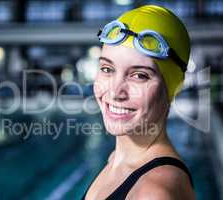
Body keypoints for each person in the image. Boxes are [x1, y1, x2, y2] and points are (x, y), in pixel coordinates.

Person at [81, 5, 195, 200]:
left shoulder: (153, 193)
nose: (115, 92)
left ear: (172, 87)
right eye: (107, 69)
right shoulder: (116, 159)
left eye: (139, 75)